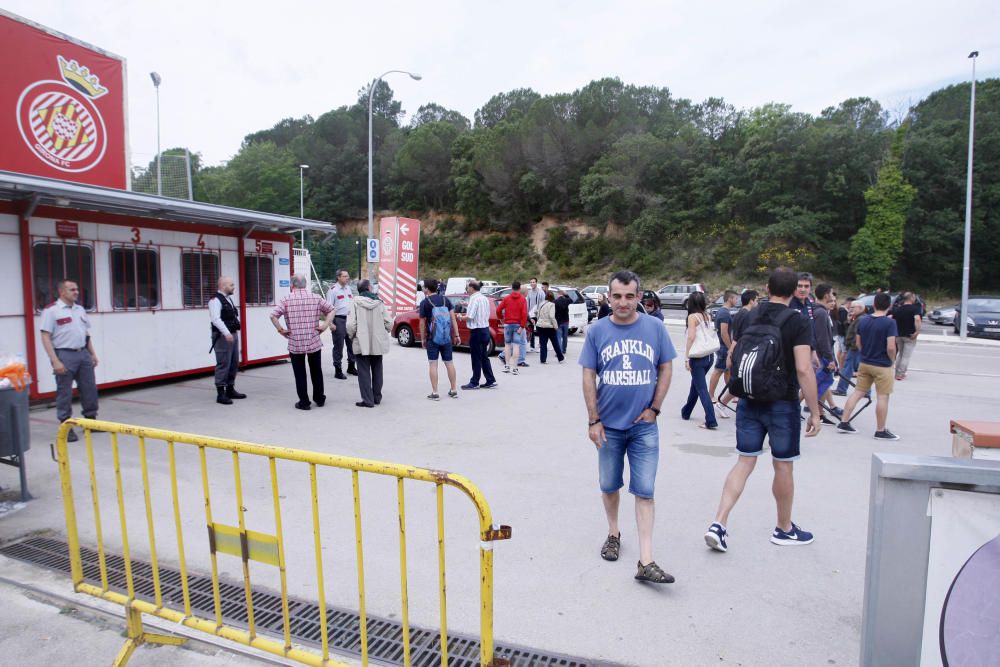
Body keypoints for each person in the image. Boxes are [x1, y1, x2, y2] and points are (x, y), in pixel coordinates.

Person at [704, 267, 821, 553]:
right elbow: (804, 368)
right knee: (782, 465)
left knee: (744, 461)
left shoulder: (748, 315)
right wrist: (815, 411)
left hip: (749, 399)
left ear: (766, 289)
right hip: (782, 403)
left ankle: (718, 523)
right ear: (795, 291)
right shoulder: (797, 320)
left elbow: (733, 356)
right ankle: (784, 528)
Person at [581, 270, 677, 584]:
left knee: (645, 491)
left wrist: (655, 408)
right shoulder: (597, 331)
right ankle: (613, 534)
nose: (623, 302)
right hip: (608, 427)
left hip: (644, 427)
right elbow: (588, 376)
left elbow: (666, 367)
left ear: (639, 297)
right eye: (617, 296)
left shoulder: (655, 328)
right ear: (609, 297)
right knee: (609, 485)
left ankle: (646, 560)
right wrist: (593, 420)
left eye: (629, 296)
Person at [39, 279, 98, 442]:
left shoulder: (80, 310)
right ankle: (66, 426)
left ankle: (91, 421)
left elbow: (86, 333)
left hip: (83, 353)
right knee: (64, 392)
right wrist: (55, 361)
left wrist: (92, 353)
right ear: (62, 292)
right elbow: (45, 336)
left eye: (77, 289)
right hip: (64, 355)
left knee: (89, 388)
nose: (76, 292)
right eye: (72, 290)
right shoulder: (51, 311)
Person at [837, 293, 900, 440]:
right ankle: (880, 429)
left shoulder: (863, 320)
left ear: (874, 305)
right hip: (883, 365)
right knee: (883, 397)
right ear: (889, 306)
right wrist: (892, 361)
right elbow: (891, 346)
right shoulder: (890, 323)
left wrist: (864, 353)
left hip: (865, 362)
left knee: (858, 392)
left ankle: (844, 422)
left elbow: (859, 342)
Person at [270, 274, 335, 410]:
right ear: (305, 284)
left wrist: (281, 330)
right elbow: (331, 310)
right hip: (313, 340)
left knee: (299, 373)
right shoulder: (315, 297)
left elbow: (273, 315)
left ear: (292, 285)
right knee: (316, 370)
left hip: (295, 342)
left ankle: (304, 402)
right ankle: (319, 398)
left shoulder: (286, 299)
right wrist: (325, 325)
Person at [346, 279, 392, 408]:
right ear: (369, 288)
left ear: (359, 290)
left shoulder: (355, 302)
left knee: (363, 371)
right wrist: (383, 332)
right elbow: (389, 322)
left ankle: (368, 400)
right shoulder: (379, 302)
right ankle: (377, 397)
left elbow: (350, 324)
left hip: (361, 341)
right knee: (377, 369)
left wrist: (352, 335)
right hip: (377, 342)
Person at [680, 292, 718, 429]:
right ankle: (686, 411)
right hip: (709, 356)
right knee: (695, 385)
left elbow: (691, 337)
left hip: (698, 357)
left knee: (701, 388)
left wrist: (686, 357)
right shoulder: (706, 315)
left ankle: (711, 420)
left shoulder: (692, 317)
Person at [716, 290, 759, 414]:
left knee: (740, 381)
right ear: (751, 300)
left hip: (739, 350)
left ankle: (723, 403)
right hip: (744, 351)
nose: (758, 303)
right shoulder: (747, 315)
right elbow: (744, 335)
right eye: (757, 300)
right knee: (742, 381)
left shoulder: (740, 313)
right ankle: (722, 403)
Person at [419, 278, 462, 399]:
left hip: (432, 338)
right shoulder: (445, 300)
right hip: (446, 337)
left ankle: (435, 392)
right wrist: (457, 335)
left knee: (433, 364)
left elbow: (422, 323)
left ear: (427, 289)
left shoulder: (425, 303)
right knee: (449, 363)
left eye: (424, 287)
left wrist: (422, 339)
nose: (423, 289)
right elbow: (453, 319)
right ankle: (453, 390)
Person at [208, 276, 246, 405]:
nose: (233, 287)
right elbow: (216, 319)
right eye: (231, 285)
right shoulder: (215, 300)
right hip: (223, 336)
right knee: (224, 363)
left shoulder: (227, 299)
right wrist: (226, 333)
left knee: (234, 362)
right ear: (223, 286)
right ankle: (221, 393)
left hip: (232, 334)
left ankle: (230, 388)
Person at [811, 283, 842, 423]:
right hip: (821, 355)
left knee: (821, 384)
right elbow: (823, 338)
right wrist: (830, 358)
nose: (833, 296)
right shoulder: (821, 312)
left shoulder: (819, 311)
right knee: (817, 384)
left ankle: (820, 412)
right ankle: (817, 412)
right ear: (826, 295)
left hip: (820, 353)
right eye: (831, 293)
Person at [459, 281, 497, 390]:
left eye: (467, 288)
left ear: (472, 288)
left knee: (476, 357)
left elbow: (470, 316)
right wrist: (467, 305)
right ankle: (490, 380)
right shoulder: (484, 298)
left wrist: (461, 317)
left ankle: (474, 382)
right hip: (485, 330)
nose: (467, 290)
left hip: (476, 331)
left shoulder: (473, 299)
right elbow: (481, 311)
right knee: (484, 356)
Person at [708, 290, 738, 409]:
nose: (736, 301)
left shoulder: (722, 311)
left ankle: (732, 393)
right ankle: (710, 395)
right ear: (730, 298)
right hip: (723, 347)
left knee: (727, 371)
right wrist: (730, 347)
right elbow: (724, 332)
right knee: (719, 370)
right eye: (735, 298)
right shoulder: (724, 313)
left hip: (723, 346)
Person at [326, 269, 357, 379]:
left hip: (349, 319)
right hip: (338, 320)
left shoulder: (348, 288)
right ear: (338, 277)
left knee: (351, 344)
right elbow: (328, 309)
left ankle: (351, 366)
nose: (347, 278)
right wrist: (330, 324)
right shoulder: (333, 290)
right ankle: (338, 370)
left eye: (347, 276)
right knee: (339, 346)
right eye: (345, 276)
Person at [834, 300, 866, 397]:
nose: (850, 309)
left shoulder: (861, 319)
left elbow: (857, 334)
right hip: (854, 347)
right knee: (862, 370)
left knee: (847, 368)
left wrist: (853, 345)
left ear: (860, 308)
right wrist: (848, 321)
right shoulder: (857, 318)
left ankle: (841, 389)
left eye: (853, 308)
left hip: (854, 348)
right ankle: (865, 391)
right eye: (850, 307)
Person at [497, 281, 528, 375]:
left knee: (507, 345)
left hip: (507, 324)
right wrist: (522, 326)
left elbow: (498, 310)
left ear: (511, 287)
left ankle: (507, 366)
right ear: (519, 288)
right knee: (516, 346)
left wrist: (501, 319)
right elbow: (524, 314)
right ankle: (514, 368)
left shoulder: (506, 298)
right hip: (518, 325)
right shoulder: (523, 299)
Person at [892, 292, 922, 381]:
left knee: (900, 354)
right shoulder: (915, 309)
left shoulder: (898, 309)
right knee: (906, 356)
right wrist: (917, 331)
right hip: (910, 335)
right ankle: (901, 374)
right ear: (911, 298)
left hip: (899, 335)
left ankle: (897, 372)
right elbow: (917, 319)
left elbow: (893, 320)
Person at [534, 291, 565, 364]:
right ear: (552, 297)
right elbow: (552, 316)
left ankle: (543, 359)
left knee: (543, 343)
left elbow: (537, 314)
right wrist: (555, 326)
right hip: (549, 326)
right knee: (555, 342)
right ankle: (560, 358)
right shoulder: (552, 305)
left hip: (540, 325)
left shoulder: (542, 303)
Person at [526, 277, 545, 352]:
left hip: (538, 314)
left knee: (539, 330)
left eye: (534, 282)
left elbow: (543, 302)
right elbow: (527, 303)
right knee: (531, 330)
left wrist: (540, 311)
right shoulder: (529, 292)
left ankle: (540, 345)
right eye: (531, 282)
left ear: (536, 283)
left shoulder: (541, 292)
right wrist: (527, 313)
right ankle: (532, 345)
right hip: (531, 314)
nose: (532, 283)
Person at [555, 288, 572, 354]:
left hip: (558, 321)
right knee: (565, 337)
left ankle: (559, 351)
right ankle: (564, 349)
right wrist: (566, 294)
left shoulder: (555, 301)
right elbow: (571, 300)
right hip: (566, 321)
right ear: (563, 294)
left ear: (558, 294)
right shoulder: (567, 300)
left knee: (558, 337)